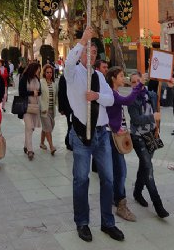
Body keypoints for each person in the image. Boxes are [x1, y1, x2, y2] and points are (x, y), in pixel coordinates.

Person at [65, 27, 124, 243]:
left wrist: (96, 95)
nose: (89, 54)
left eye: (92, 51)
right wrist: (82, 40)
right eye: (86, 51)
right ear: (80, 53)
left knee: (108, 179)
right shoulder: (73, 73)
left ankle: (108, 223)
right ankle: (82, 222)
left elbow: (111, 99)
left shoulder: (100, 75)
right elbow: (69, 63)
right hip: (81, 134)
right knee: (81, 179)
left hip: (101, 135)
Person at [128, 72, 169, 218]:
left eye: (139, 80)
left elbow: (165, 100)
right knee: (148, 169)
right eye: (133, 82)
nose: (136, 84)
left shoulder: (151, 95)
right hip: (138, 137)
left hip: (151, 136)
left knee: (144, 166)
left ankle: (137, 192)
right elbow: (136, 119)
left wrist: (169, 86)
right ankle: (158, 205)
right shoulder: (131, 100)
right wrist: (152, 116)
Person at [106, 66, 143, 222]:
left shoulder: (114, 93)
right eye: (121, 76)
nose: (124, 78)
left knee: (118, 170)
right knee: (121, 170)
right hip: (113, 137)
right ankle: (121, 203)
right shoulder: (112, 94)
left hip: (117, 135)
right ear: (114, 78)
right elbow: (127, 101)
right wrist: (139, 86)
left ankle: (117, 198)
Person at [18, 62, 41, 161]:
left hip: (35, 106)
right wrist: (32, 92)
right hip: (26, 106)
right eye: (37, 69)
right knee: (29, 126)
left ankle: (25, 145)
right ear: (33, 69)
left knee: (31, 129)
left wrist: (38, 93)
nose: (39, 71)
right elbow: (21, 92)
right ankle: (30, 150)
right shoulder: (24, 78)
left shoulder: (37, 78)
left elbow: (40, 91)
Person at [39, 64, 58, 155]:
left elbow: (56, 97)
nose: (49, 74)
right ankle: (51, 147)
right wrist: (40, 107)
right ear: (44, 73)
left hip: (52, 110)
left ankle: (42, 143)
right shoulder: (41, 82)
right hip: (44, 109)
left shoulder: (54, 84)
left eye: (51, 72)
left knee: (47, 127)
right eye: (47, 72)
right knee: (48, 128)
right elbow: (39, 96)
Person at [57, 73, 73, 151]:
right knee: (70, 124)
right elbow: (61, 93)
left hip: (75, 105)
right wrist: (61, 108)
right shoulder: (64, 77)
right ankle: (68, 142)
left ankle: (70, 141)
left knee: (73, 125)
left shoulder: (75, 76)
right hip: (68, 106)